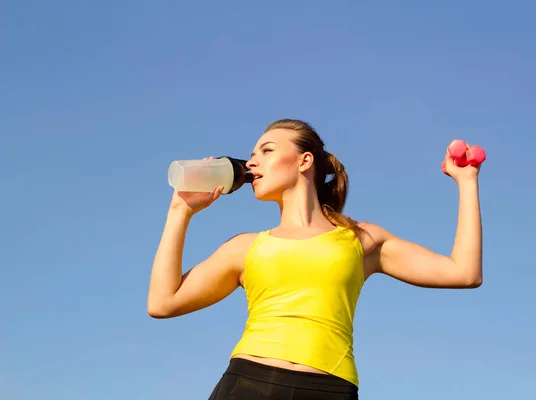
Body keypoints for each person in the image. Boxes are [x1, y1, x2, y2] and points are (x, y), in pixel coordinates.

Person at [147, 118, 483, 399]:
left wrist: (467, 182)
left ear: (305, 161)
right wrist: (181, 211)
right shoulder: (244, 247)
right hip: (248, 384)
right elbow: (163, 302)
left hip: (329, 389)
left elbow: (463, 272)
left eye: (266, 151)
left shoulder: (360, 239)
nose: (251, 163)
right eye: (251, 154)